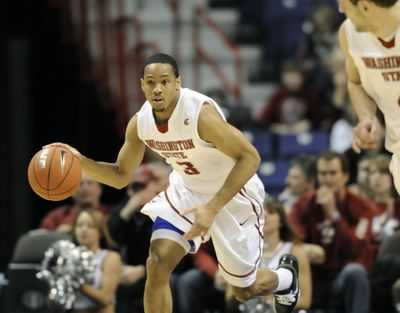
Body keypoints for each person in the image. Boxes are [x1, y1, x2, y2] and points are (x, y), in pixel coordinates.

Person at [46, 53, 299, 313]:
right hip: (186, 191)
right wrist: (80, 162)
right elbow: (121, 176)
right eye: (151, 82)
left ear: (178, 82)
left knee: (244, 291)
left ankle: (286, 280)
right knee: (156, 263)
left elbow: (250, 158)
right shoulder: (140, 123)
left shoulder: (201, 116)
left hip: (232, 194)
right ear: (142, 84)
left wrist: (211, 208)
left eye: (165, 81)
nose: (157, 88)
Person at [290, 150, 375, 313]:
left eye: (333, 173)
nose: (327, 179)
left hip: (342, 277)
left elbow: (356, 248)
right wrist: (303, 248)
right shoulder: (303, 204)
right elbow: (293, 240)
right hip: (312, 277)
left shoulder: (361, 207)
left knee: (356, 272)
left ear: (345, 176)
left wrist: (334, 214)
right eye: (323, 173)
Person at [337, 0, 400, 195]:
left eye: (344, 5)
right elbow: (356, 82)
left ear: (365, 6)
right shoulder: (349, 33)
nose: (340, 10)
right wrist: (367, 117)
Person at [223, 198, 313, 312]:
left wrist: (274, 299)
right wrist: (252, 291)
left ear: (281, 220)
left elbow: (305, 301)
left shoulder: (295, 251)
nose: (265, 215)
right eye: (261, 211)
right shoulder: (244, 251)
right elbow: (230, 297)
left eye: (271, 212)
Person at [71, 209, 122, 313]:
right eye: (79, 225)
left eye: (90, 226)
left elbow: (105, 299)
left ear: (100, 232)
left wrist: (75, 281)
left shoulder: (110, 257)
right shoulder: (68, 258)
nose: (83, 229)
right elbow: (53, 304)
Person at [40, 174, 110, 233]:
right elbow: (41, 237)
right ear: (70, 191)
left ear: (100, 189)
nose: (85, 188)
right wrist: (56, 234)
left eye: (90, 183)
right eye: (80, 184)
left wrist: (72, 230)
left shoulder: (110, 214)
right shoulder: (57, 216)